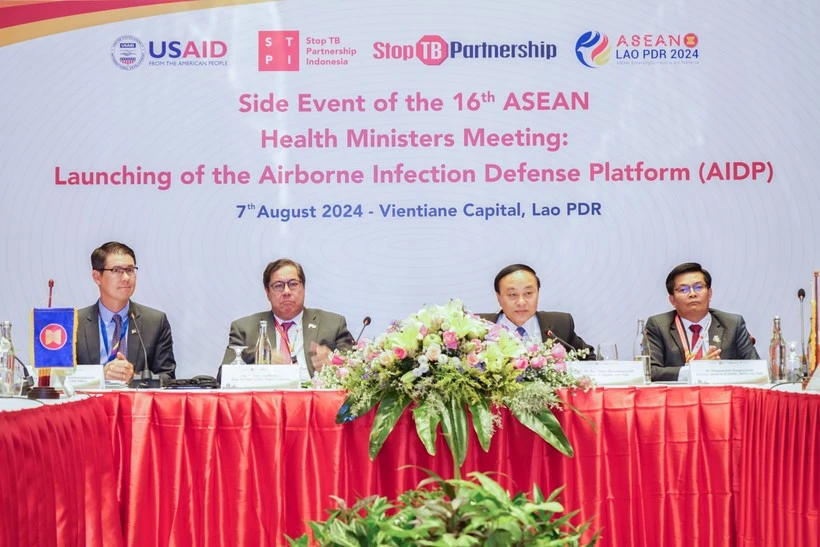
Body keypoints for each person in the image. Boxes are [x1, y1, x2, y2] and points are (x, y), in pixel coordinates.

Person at [221, 258, 355, 377]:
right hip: (266, 402)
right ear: (267, 292)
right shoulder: (244, 329)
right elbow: (223, 376)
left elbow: (357, 373)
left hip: (314, 401)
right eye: (278, 286)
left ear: (303, 288)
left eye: (293, 284)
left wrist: (333, 366)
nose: (286, 292)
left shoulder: (333, 324)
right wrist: (260, 364)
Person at [75, 241, 177, 382]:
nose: (126, 278)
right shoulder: (74, 324)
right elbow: (60, 377)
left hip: (136, 403)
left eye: (130, 270)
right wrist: (98, 376)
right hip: (89, 402)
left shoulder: (155, 322)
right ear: (97, 277)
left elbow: (168, 377)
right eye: (116, 271)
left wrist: (134, 377)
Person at [646, 262, 759, 381]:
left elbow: (755, 369)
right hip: (678, 397)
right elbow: (650, 371)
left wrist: (717, 371)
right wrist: (694, 371)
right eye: (683, 290)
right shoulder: (658, 325)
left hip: (722, 395)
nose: (692, 294)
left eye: (698, 287)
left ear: (709, 294)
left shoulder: (733, 324)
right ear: (672, 300)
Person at [478, 263, 596, 359]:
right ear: (499, 297)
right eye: (512, 294)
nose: (521, 302)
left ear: (538, 294)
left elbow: (589, 359)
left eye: (528, 293)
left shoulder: (561, 324)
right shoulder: (477, 328)